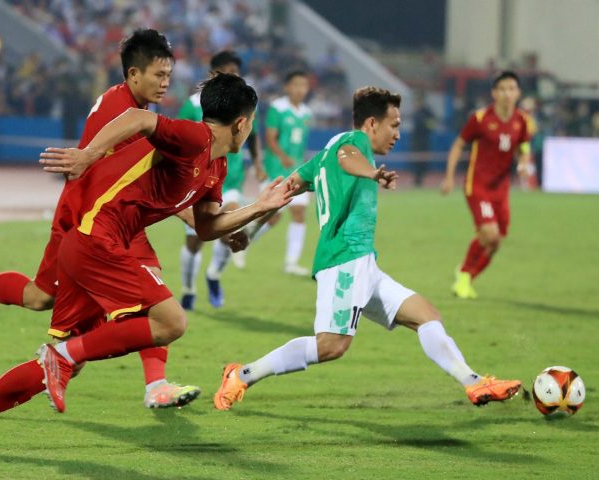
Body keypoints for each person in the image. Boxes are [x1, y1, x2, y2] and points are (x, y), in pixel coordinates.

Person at [0, 74, 295, 451]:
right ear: (243, 123)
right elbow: (140, 120)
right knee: (169, 321)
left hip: (97, 246)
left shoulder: (214, 168)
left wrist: (256, 210)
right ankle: (68, 358)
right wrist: (87, 155)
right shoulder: (194, 137)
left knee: (66, 351)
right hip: (96, 238)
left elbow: (205, 226)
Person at [213, 86, 521, 412]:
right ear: (372, 124)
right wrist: (372, 173)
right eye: (395, 124)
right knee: (331, 346)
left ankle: (473, 382)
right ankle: (242, 374)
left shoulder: (326, 151)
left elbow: (287, 188)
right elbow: (349, 159)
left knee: (426, 315)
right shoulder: (353, 143)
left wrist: (251, 231)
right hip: (344, 260)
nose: (398, 134)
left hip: (364, 263)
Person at [0, 29, 200, 409]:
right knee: (59, 318)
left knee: (63, 314)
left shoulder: (128, 106)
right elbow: (141, 181)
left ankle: (155, 385)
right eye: (159, 74)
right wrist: (194, 217)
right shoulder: (127, 116)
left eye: (168, 75)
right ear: (134, 74)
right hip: (86, 222)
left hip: (109, 221)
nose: (165, 82)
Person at [177, 50, 266, 310]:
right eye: (227, 71)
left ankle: (214, 274)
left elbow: (254, 136)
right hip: (197, 182)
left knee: (231, 227)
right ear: (212, 74)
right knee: (193, 242)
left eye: (236, 72)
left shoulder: (245, 105)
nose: (233, 76)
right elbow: (180, 138)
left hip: (231, 178)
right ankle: (189, 290)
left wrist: (258, 164)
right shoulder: (193, 105)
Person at [441, 71, 532, 299]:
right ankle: (463, 274)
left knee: (496, 242)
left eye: (511, 89)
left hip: (501, 189)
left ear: (518, 93)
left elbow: (524, 147)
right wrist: (449, 176)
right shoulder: (481, 119)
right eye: (502, 89)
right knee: (489, 234)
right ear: (494, 93)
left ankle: (467, 278)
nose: (507, 94)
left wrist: (523, 163)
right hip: (478, 185)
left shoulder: (522, 121)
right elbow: (458, 145)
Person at [260, 70, 312, 276]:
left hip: (297, 170)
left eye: (304, 85)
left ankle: (291, 263)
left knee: (299, 213)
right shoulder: (278, 108)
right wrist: (282, 156)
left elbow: (300, 144)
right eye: (296, 85)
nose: (301, 89)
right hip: (277, 169)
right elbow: (270, 137)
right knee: (272, 217)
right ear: (287, 87)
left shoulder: (307, 112)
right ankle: (243, 239)